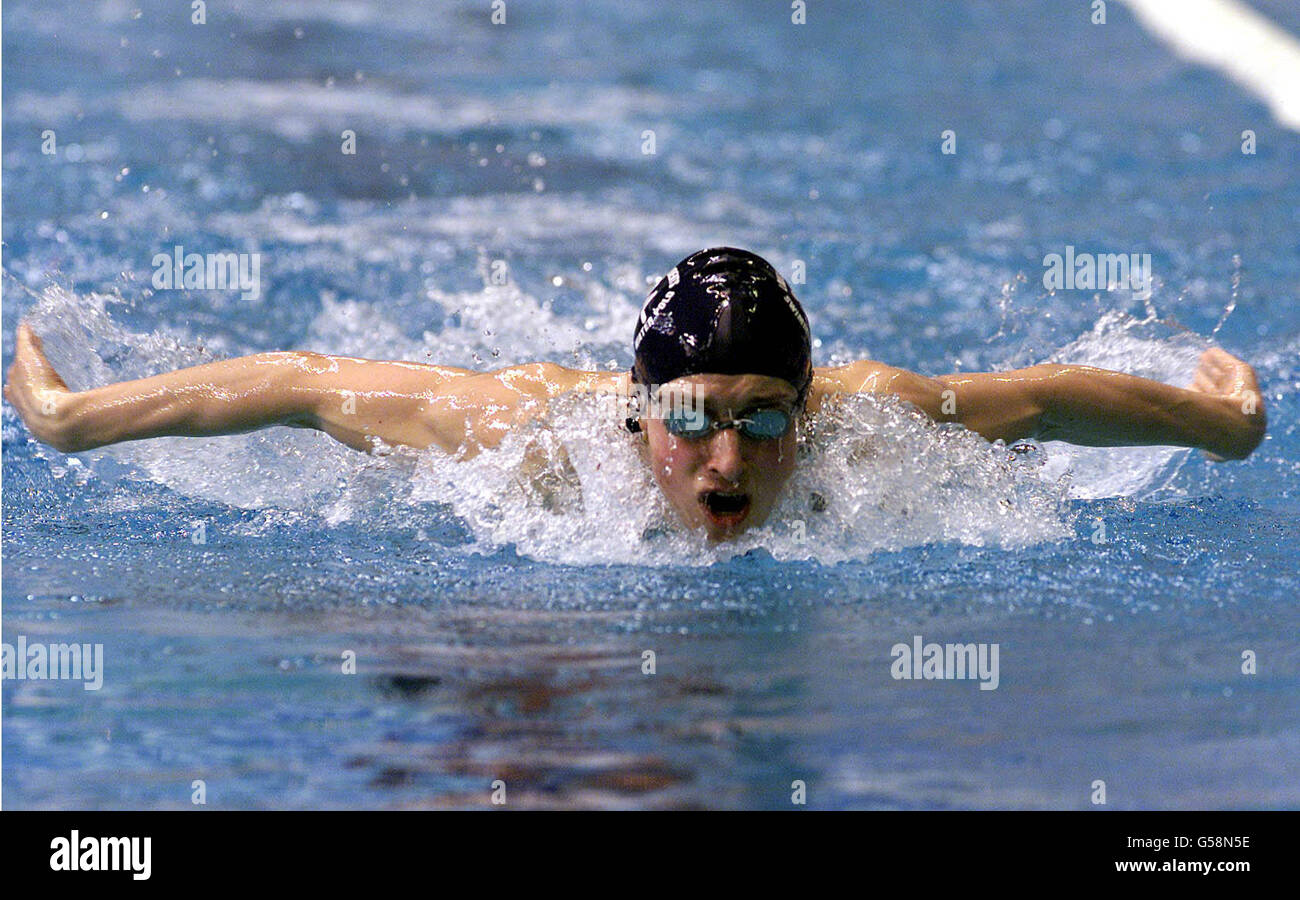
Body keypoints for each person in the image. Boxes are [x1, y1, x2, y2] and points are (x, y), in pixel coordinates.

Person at [4, 247, 1267, 541]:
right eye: (692, 420)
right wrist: (72, 421)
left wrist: (1215, 424)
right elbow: (296, 383)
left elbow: (1041, 398)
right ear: (635, 411)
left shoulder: (867, 417)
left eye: (764, 418)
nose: (727, 463)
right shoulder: (524, 441)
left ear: (804, 406)